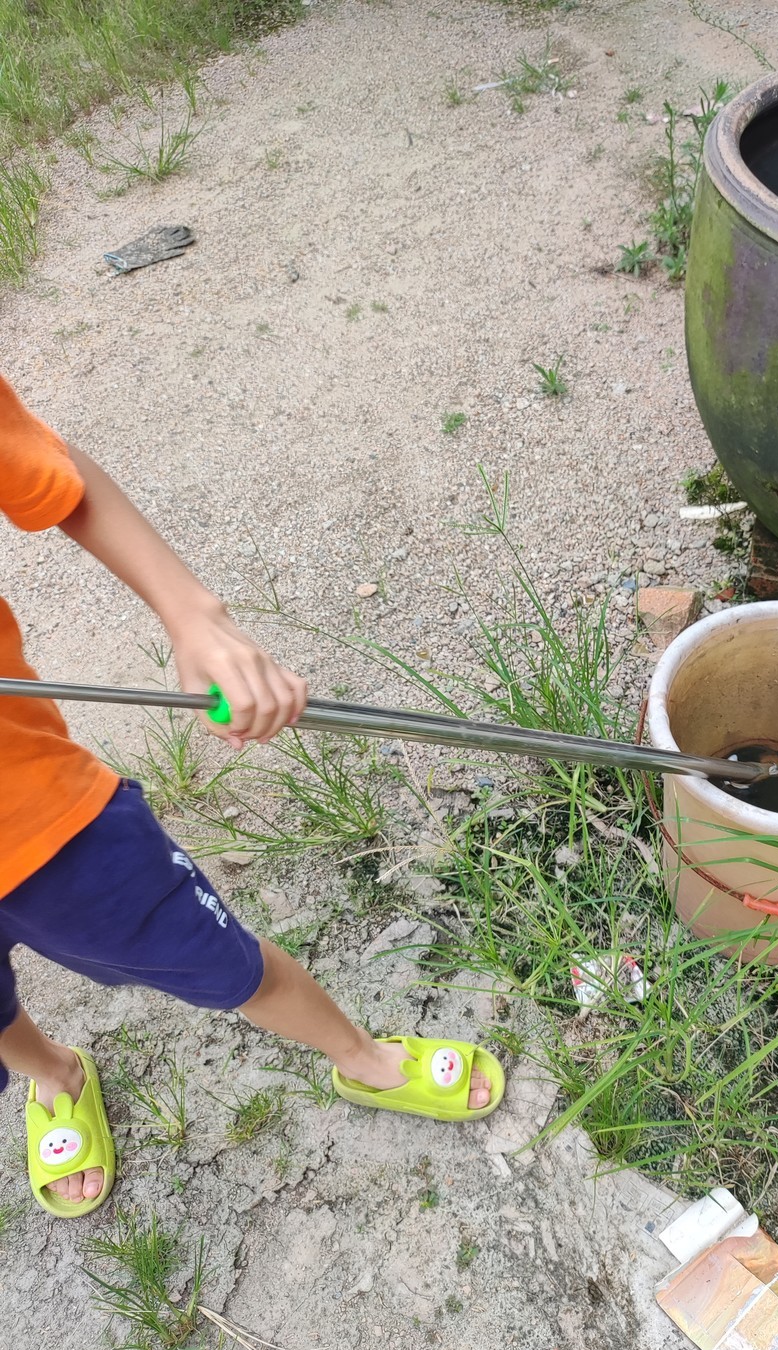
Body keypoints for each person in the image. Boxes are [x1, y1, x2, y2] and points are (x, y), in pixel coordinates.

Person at [0, 374, 503, 1218]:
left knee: (218, 957)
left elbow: (52, 475)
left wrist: (192, 612)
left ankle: (363, 1058)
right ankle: (52, 1072)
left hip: (38, 818)